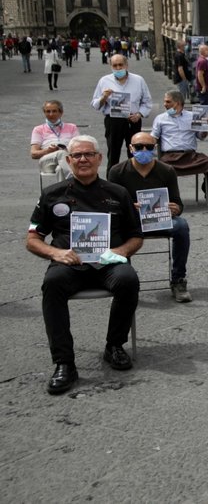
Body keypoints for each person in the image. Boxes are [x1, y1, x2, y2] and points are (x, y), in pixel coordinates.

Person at [26, 135, 143, 395]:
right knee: (52, 283)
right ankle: (64, 363)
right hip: (70, 265)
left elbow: (136, 236)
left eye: (88, 154)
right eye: (77, 155)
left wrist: (120, 251)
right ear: (68, 161)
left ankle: (114, 345)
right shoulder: (52, 194)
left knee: (128, 279)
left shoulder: (118, 193)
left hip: (107, 264)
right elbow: (33, 239)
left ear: (99, 159)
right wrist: (55, 253)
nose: (83, 160)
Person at [108, 132, 193, 303]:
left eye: (149, 147)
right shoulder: (117, 171)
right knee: (114, 230)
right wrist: (129, 208)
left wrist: (175, 209)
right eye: (139, 147)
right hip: (131, 222)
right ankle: (125, 282)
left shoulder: (167, 170)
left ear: (155, 149)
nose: (144, 150)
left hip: (159, 219)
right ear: (131, 148)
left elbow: (178, 203)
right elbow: (111, 206)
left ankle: (178, 279)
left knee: (181, 226)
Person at [151, 90, 208, 205]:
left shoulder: (192, 116)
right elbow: (154, 136)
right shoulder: (160, 118)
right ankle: (170, 197)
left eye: (168, 102)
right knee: (159, 170)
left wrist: (206, 127)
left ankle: (207, 188)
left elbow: (201, 136)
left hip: (190, 155)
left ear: (177, 103)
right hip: (170, 156)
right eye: (165, 101)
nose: (165, 104)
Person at [91, 54, 154, 172]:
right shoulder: (104, 81)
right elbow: (95, 104)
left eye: (121, 65)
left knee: (136, 152)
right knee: (113, 152)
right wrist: (104, 97)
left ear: (126, 65)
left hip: (133, 119)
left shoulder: (138, 80)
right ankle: (111, 182)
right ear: (111, 67)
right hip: (113, 120)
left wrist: (139, 114)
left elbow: (147, 102)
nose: (118, 68)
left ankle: (136, 177)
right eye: (115, 65)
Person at [31, 100, 79, 186]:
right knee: (61, 153)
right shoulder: (38, 129)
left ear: (61, 113)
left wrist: (68, 149)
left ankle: (64, 195)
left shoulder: (72, 127)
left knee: (60, 169)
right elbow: (33, 154)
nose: (51, 114)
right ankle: (75, 182)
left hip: (67, 160)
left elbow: (79, 148)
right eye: (48, 111)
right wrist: (48, 151)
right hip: (47, 162)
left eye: (54, 111)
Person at [194, 44, 208, 109]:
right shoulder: (202, 61)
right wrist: (203, 86)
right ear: (203, 51)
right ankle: (205, 118)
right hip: (205, 87)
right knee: (205, 105)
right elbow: (200, 74)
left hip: (207, 86)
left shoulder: (203, 60)